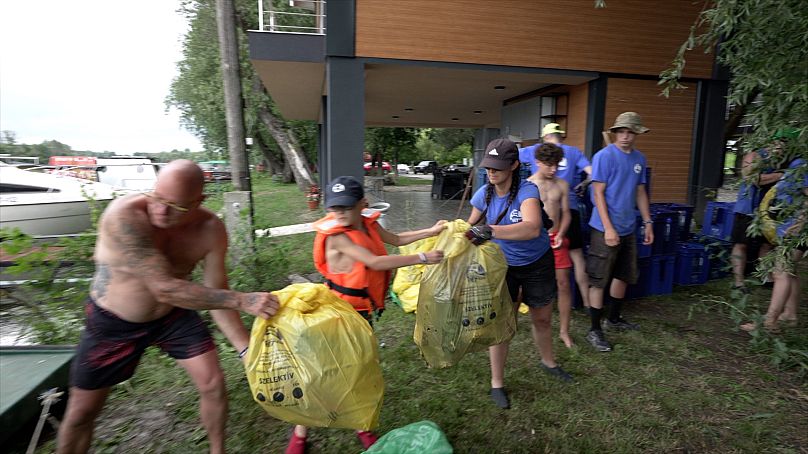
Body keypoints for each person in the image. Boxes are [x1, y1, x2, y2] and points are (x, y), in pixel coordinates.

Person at [57, 160, 280, 454]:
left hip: (172, 316)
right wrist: (242, 299)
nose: (160, 210)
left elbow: (215, 293)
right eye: (157, 197)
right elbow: (163, 288)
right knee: (81, 412)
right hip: (113, 321)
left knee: (213, 383)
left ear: (198, 201)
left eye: (175, 206)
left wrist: (244, 349)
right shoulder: (124, 216)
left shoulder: (210, 229)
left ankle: (217, 451)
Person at [284, 176, 446, 454]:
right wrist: (421, 258)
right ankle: (300, 436)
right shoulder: (337, 236)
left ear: (362, 204)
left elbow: (395, 239)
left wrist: (430, 232)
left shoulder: (368, 222)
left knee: (358, 369)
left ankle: (361, 426)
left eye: (346, 207)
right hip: (335, 315)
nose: (340, 213)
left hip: (361, 314)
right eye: (335, 208)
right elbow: (374, 261)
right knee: (323, 372)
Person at [469, 138, 572, 410]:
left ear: (514, 165)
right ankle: (497, 383)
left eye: (498, 167)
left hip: (537, 263)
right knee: (503, 324)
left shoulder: (527, 191)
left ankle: (549, 362)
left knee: (542, 318)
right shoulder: (484, 194)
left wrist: (490, 230)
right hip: (504, 267)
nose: (492, 172)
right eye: (489, 167)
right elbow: (467, 228)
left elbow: (531, 228)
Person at [585, 112, 654, 352]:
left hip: (628, 227)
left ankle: (613, 318)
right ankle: (594, 329)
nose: (625, 136)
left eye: (630, 132)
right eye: (621, 132)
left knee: (624, 275)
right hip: (604, 228)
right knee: (598, 279)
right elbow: (598, 194)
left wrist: (647, 221)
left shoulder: (639, 159)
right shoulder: (604, 156)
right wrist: (608, 228)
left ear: (637, 134)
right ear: (615, 133)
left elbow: (640, 191)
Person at [520, 123, 593, 308]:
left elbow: (511, 157)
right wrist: (584, 185)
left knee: (539, 261)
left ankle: (537, 300)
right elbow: (592, 173)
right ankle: (586, 302)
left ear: (545, 136)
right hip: (569, 207)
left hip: (550, 212)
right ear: (560, 135)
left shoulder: (534, 150)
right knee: (576, 257)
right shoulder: (574, 151)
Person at [741, 155, 806, 332]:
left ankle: (770, 322)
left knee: (781, 271)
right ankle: (789, 315)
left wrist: (800, 222)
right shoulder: (797, 162)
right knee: (790, 272)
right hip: (789, 227)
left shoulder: (803, 164)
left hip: (795, 230)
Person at [527, 143, 575, 348]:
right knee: (529, 286)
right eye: (549, 164)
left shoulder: (562, 185)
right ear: (538, 163)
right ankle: (535, 324)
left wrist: (561, 233)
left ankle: (564, 331)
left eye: (556, 164)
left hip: (556, 237)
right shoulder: (529, 185)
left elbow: (567, 214)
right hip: (536, 240)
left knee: (563, 283)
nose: (553, 169)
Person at [730, 145, 783, 290]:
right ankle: (739, 282)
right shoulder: (753, 156)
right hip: (747, 209)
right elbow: (752, 178)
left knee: (767, 244)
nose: (781, 147)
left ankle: (766, 278)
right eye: (780, 143)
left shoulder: (781, 161)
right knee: (741, 244)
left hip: (766, 211)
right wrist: (779, 176)